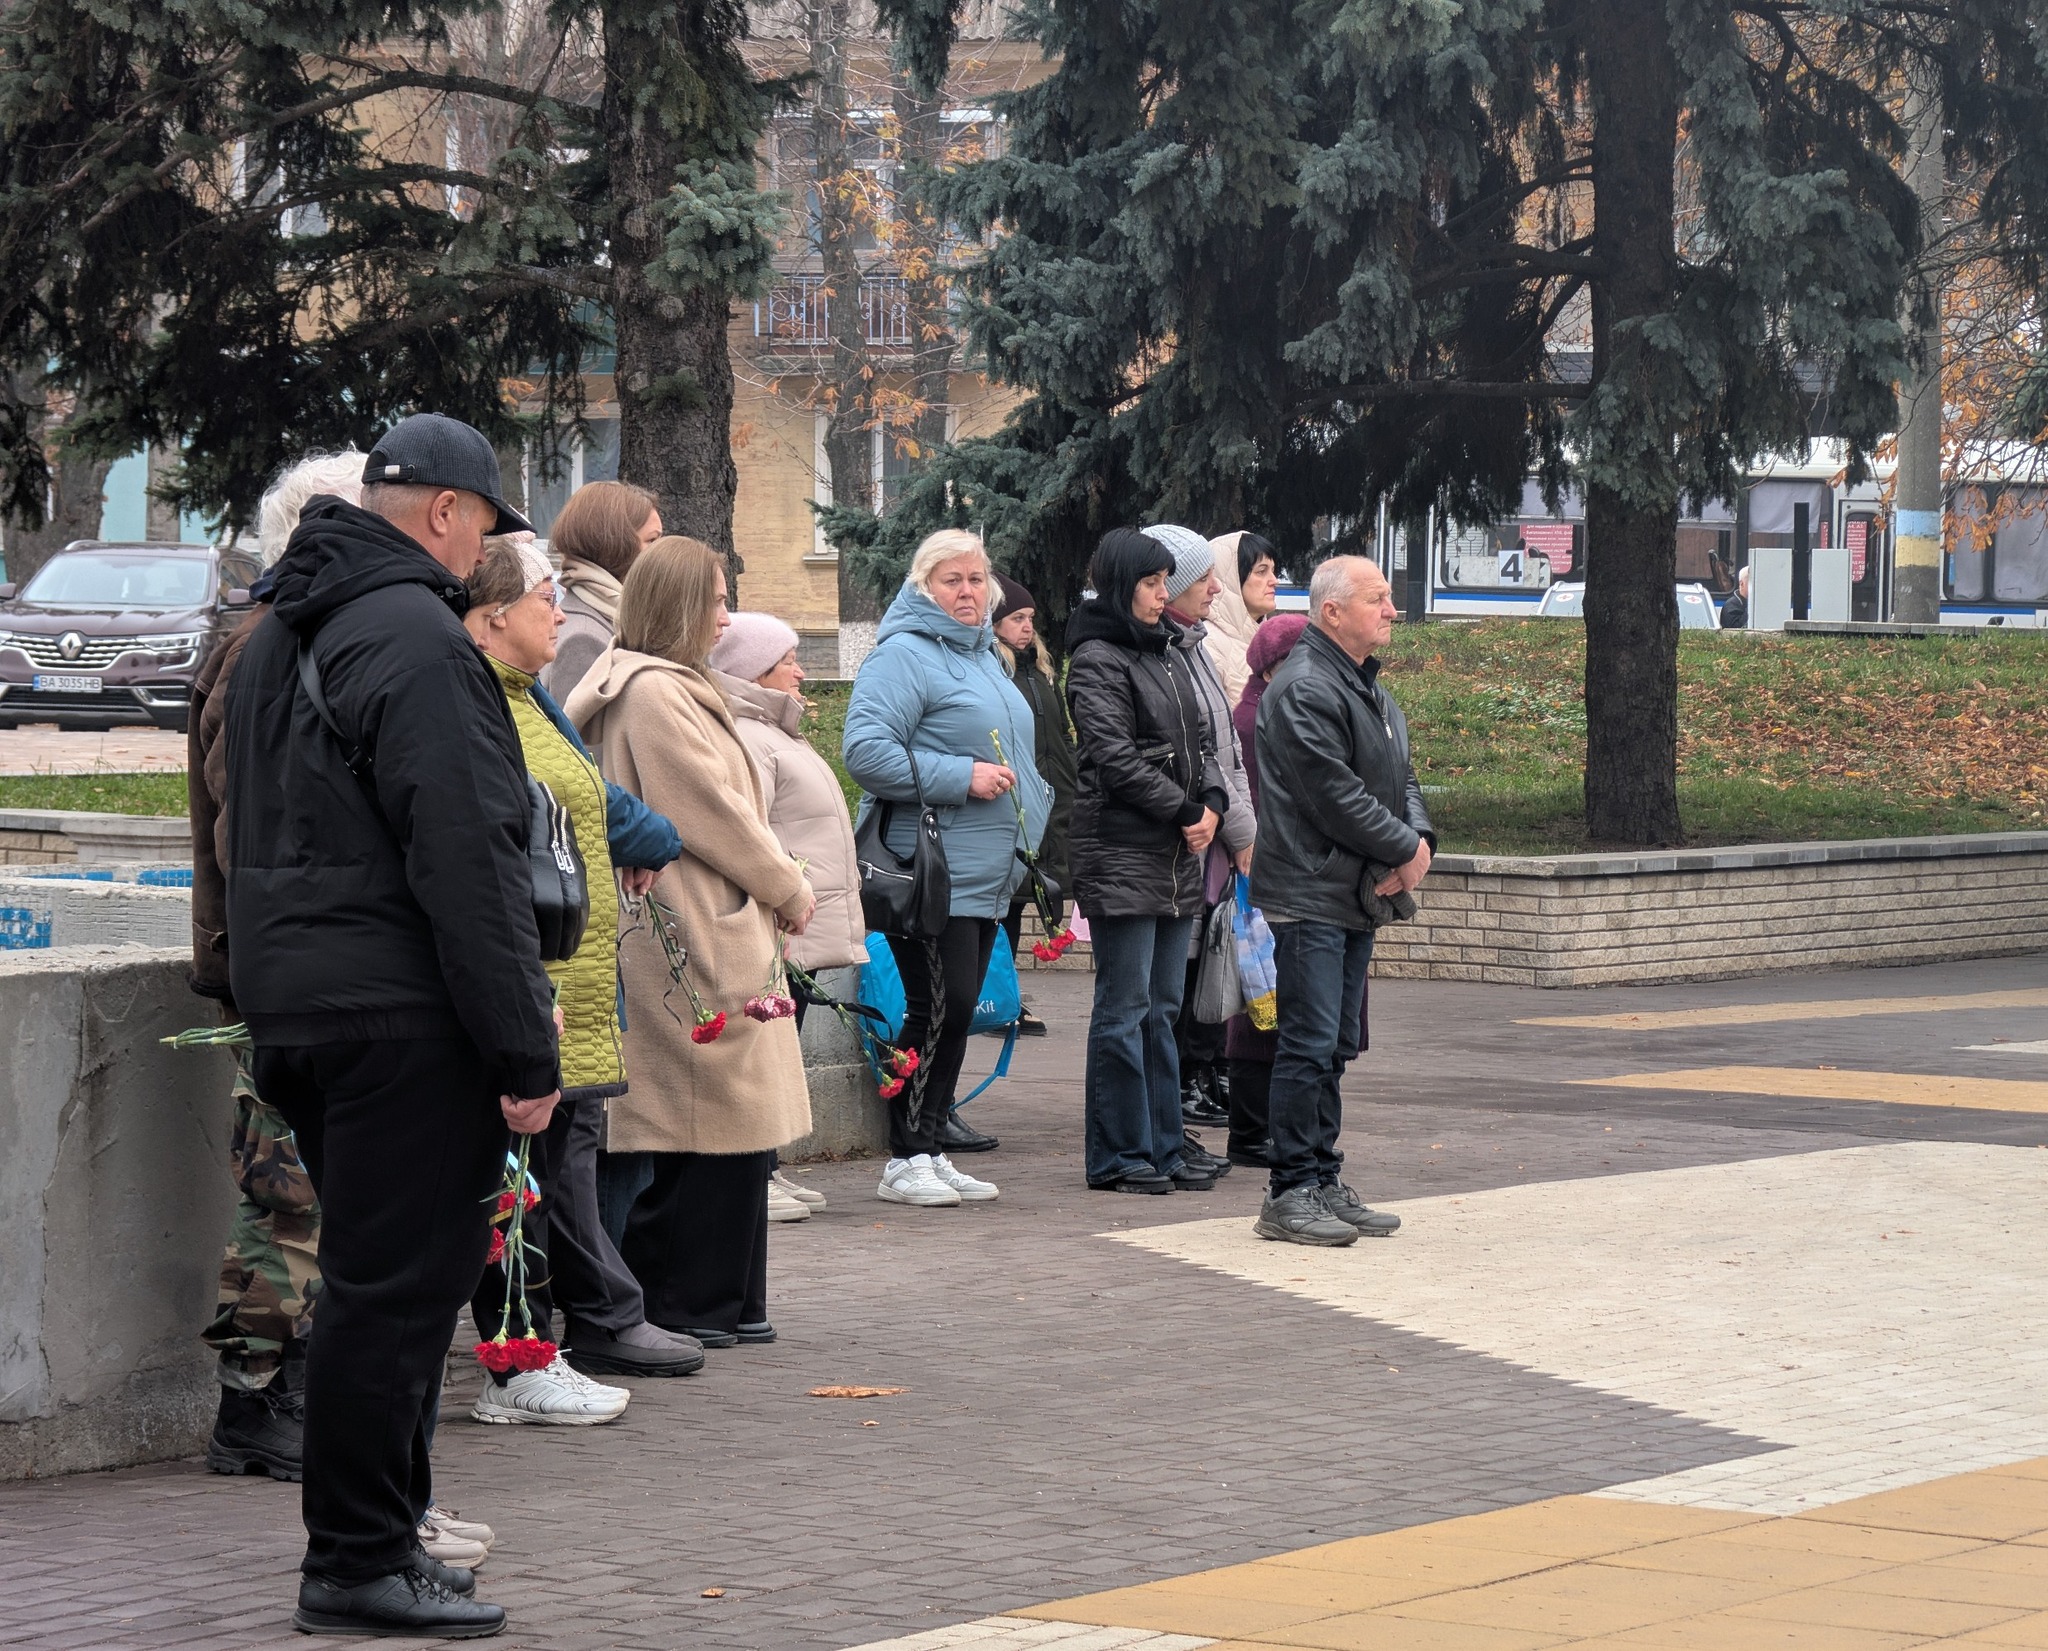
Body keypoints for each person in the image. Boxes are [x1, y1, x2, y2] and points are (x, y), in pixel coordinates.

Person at [223, 413, 562, 1637]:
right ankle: (361, 1558)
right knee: (396, 1297)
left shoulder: (279, 629)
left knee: (378, 1288)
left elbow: (243, 828)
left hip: (305, 1003)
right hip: (402, 1013)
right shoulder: (416, 634)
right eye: (483, 524)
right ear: (441, 514)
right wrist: (527, 1049)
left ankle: (384, 1545)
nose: (484, 552)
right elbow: (467, 856)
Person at [460, 537, 706, 1420]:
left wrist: (633, 844)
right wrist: (636, 840)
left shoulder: (528, 699)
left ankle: (552, 1341)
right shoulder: (486, 706)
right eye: (542, 600)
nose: (558, 615)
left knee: (556, 1166)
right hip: (541, 982)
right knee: (523, 1180)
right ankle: (519, 1362)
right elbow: (582, 811)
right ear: (492, 618)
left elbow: (594, 801)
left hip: (575, 979)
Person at [567, 536, 816, 1346]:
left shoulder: (666, 684)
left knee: (726, 1127)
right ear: (676, 604)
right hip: (693, 922)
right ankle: (690, 1301)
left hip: (709, 916)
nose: (724, 614)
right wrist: (787, 884)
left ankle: (729, 1297)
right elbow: (714, 813)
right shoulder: (654, 694)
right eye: (713, 597)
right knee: (703, 1123)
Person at [189, 451, 361, 1487]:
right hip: (278, 965)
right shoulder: (262, 646)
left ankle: (277, 1391)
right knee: (284, 1191)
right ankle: (254, 1399)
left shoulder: (277, 638)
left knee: (298, 1190)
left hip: (287, 957)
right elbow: (252, 817)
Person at [842, 529, 1049, 1207]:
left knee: (955, 1011)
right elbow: (867, 752)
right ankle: (904, 1155)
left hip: (984, 870)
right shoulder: (902, 656)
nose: (967, 591)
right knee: (940, 1004)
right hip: (929, 868)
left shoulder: (986, 655)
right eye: (951, 579)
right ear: (922, 585)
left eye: (976, 578)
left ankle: (930, 1143)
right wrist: (961, 776)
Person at [1250, 556, 1433, 1246]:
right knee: (1307, 1043)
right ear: (1332, 612)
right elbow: (1334, 796)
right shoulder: (1304, 688)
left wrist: (1420, 842)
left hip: (1351, 889)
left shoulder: (1367, 688)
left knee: (1333, 1044)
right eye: (1377, 599)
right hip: (1311, 890)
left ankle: (1323, 1177)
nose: (1392, 610)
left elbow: (1399, 777)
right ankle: (1289, 1190)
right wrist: (1403, 850)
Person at [1066, 528, 1228, 1195]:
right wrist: (1185, 812)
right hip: (1124, 851)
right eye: (1153, 583)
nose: (1165, 595)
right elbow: (1114, 756)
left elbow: (1205, 740)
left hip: (1173, 856)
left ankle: (1164, 1144)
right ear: (1122, 584)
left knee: (1164, 1007)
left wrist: (1212, 800)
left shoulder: (1165, 653)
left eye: (1168, 582)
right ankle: (1118, 1153)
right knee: (1125, 1007)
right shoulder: (1098, 655)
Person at [709, 609, 865, 1220]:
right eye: (788, 663)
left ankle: (767, 1168)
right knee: (766, 1047)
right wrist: (784, 896)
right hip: (779, 920)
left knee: (785, 1042)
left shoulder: (779, 730)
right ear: (753, 672)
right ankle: (756, 1175)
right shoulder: (752, 736)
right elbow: (752, 832)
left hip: (800, 917)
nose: (801, 672)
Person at [1150, 526, 1255, 1150]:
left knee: (1193, 972)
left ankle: (1192, 1086)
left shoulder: (1194, 647)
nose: (1217, 588)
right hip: (1173, 843)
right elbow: (1156, 754)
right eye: (1204, 577)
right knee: (1163, 991)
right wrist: (1203, 811)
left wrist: (1230, 819)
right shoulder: (1184, 651)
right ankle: (1174, 1096)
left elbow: (1221, 751)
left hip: (1211, 830)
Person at [1222, 612, 1312, 1167]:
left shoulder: (1273, 707)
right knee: (1264, 1008)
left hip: (1280, 877)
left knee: (1274, 1006)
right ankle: (1254, 1132)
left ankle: (1264, 1130)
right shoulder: (1260, 719)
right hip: (1268, 881)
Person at [990, 570, 1075, 1055]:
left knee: (1022, 902)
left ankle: (1006, 995)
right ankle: (998, 996)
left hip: (1050, 802)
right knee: (1001, 907)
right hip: (1012, 803)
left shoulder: (1040, 672)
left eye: (1030, 619)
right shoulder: (994, 671)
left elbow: (1060, 737)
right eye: (1016, 618)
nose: (1026, 627)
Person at [539, 479, 663, 701]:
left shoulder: (612, 618)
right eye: (652, 541)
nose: (660, 554)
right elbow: (577, 733)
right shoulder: (582, 638)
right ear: (616, 544)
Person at [1201, 530, 1282, 703]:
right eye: (1261, 571)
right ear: (1231, 579)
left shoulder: (1275, 642)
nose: (1275, 580)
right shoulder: (1207, 645)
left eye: (1273, 571)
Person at [1720, 564, 1751, 629]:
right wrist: (1751, 608)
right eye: (1751, 583)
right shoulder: (1731, 606)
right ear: (1742, 584)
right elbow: (1736, 630)